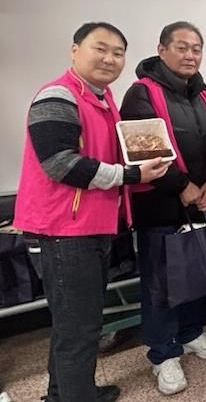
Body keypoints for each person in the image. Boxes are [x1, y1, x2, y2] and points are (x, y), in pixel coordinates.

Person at [13, 23, 170, 402]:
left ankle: (64, 394)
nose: (109, 59)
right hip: (64, 230)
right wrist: (132, 174)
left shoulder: (103, 99)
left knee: (75, 324)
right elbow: (60, 164)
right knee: (79, 329)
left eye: (118, 53)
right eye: (100, 49)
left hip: (90, 225)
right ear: (75, 50)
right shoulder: (58, 95)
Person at [120, 21, 206, 395]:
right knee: (160, 282)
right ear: (162, 50)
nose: (190, 55)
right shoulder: (141, 94)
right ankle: (163, 353)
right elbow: (144, 150)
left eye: (196, 49)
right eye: (182, 47)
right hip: (159, 205)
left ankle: (190, 332)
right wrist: (182, 185)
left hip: (202, 201)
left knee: (195, 271)